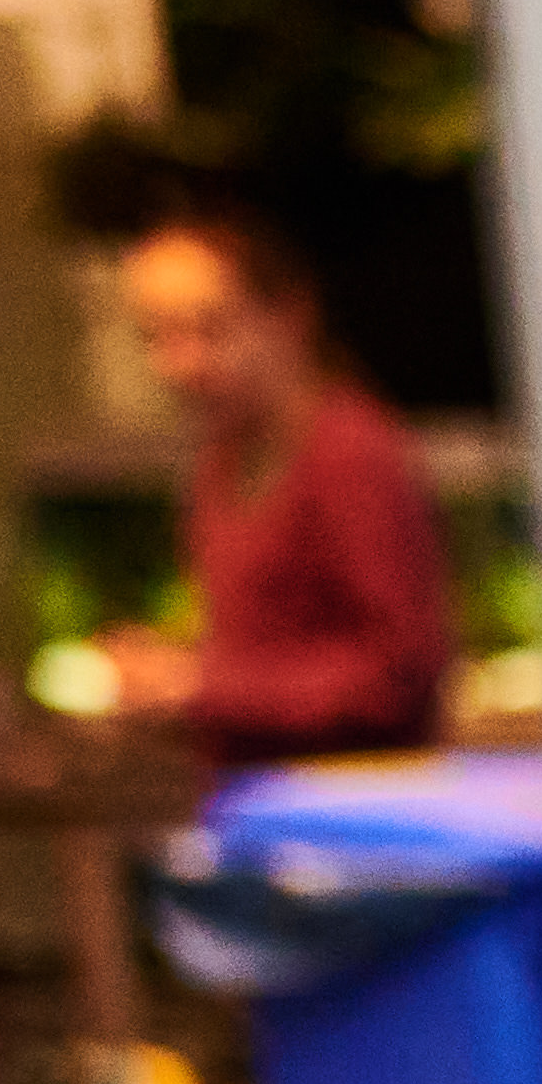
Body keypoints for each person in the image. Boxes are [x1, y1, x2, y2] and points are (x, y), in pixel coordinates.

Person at [95, 213, 453, 768]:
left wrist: (202, 684)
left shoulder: (349, 452)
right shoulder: (222, 459)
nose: (179, 363)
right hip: (259, 815)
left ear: (289, 313)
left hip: (352, 821)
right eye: (155, 335)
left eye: (209, 328)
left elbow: (401, 671)